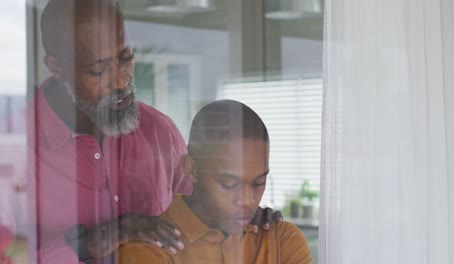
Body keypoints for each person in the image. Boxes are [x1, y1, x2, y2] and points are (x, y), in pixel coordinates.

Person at [32, 1, 281, 263]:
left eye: (126, 58)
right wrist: (91, 243)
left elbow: (200, 210)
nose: (121, 81)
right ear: (57, 67)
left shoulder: (160, 132)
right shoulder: (15, 146)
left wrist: (240, 212)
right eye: (98, 69)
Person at [116, 100, 312, 264]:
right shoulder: (145, 248)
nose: (247, 201)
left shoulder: (282, 240)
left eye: (258, 183)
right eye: (229, 184)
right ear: (191, 170)